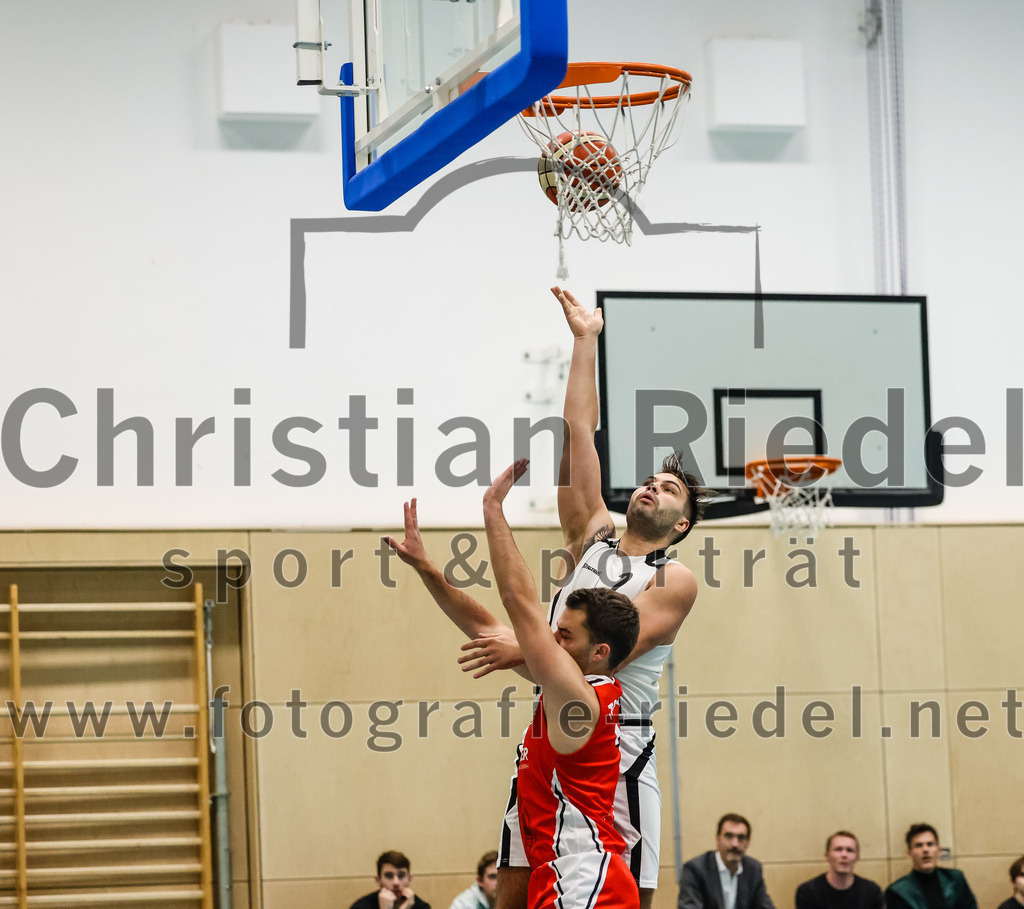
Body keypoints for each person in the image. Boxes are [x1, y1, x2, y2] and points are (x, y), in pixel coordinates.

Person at [385, 287, 705, 909]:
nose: (652, 487)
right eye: (648, 479)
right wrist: (585, 341)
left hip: (613, 744)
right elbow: (579, 434)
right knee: (513, 889)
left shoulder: (675, 579)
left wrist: (522, 645)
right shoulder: (593, 534)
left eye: (668, 489)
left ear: (682, 524)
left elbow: (587, 660)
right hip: (550, 726)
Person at [482, 458, 640, 909]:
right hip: (566, 874)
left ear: (599, 652)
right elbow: (486, 628)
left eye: (564, 634)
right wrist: (428, 571)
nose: (551, 638)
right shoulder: (570, 690)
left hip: (583, 876)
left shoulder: (576, 700)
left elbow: (518, 601)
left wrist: (493, 510)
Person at [678, 814, 776, 909]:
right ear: (718, 839)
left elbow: (764, 905)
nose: (735, 844)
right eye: (729, 836)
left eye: (741, 837)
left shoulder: (753, 869)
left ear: (747, 843)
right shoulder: (695, 870)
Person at [885, 824, 977, 909]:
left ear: (939, 850)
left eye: (930, 844)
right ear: (909, 853)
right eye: (918, 845)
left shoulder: (956, 879)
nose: (925, 849)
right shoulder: (898, 892)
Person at [794, 831, 883, 909]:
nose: (844, 855)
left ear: (857, 857)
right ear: (827, 855)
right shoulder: (808, 892)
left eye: (850, 850)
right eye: (838, 849)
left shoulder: (871, 891)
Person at [349, 851, 432, 909]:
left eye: (401, 876)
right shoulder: (361, 906)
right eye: (389, 876)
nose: (396, 882)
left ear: (409, 879)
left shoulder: (421, 906)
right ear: (378, 880)